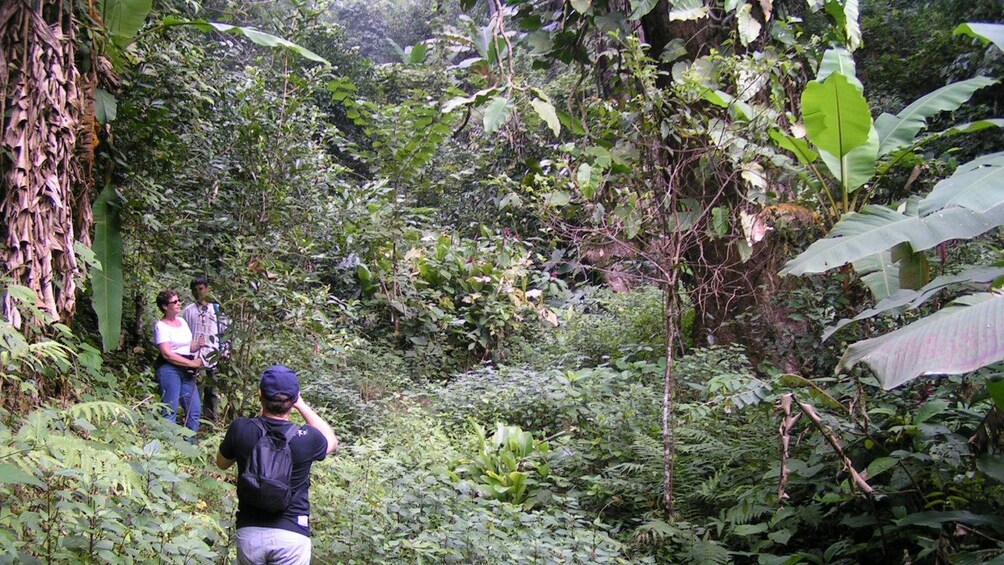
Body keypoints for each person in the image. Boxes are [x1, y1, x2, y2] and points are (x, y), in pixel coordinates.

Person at [216, 365, 338, 565]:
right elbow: (331, 441)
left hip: (250, 533)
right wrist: (302, 405)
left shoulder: (240, 429)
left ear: (261, 394)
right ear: (293, 399)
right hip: (292, 533)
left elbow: (221, 463)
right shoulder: (306, 438)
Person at [154, 289, 203, 436]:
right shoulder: (161, 326)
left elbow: (188, 346)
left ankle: (189, 445)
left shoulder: (182, 322)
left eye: (178, 300)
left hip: (187, 370)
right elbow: (167, 353)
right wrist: (191, 364)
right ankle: (168, 445)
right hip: (170, 369)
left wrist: (198, 345)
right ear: (165, 306)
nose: (178, 303)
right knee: (170, 408)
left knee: (194, 410)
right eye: (174, 302)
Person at [182, 276, 228, 422]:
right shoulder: (189, 311)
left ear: (207, 289)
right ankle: (191, 418)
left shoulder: (217, 309)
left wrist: (225, 350)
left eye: (201, 289)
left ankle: (210, 421)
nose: (198, 293)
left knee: (212, 391)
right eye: (195, 290)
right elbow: (186, 332)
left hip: (213, 355)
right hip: (195, 356)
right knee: (196, 388)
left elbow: (224, 331)